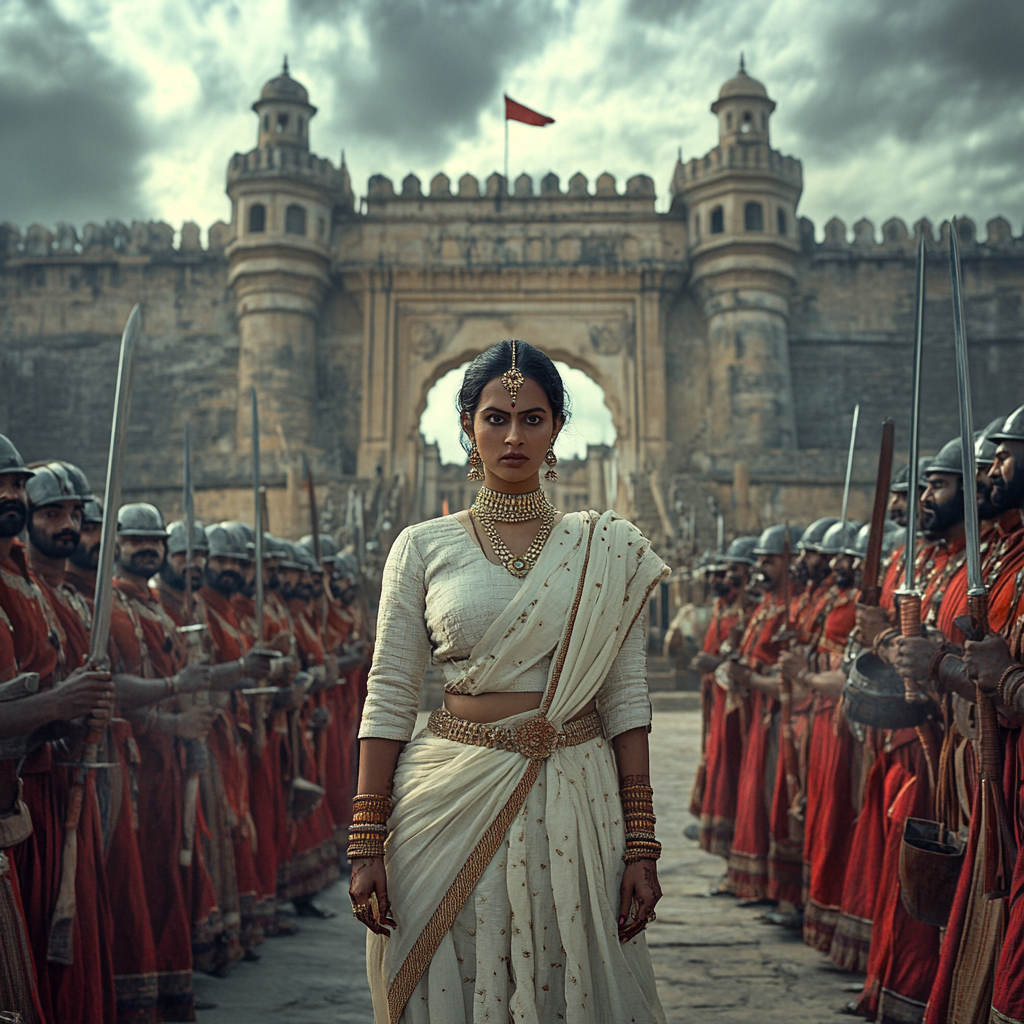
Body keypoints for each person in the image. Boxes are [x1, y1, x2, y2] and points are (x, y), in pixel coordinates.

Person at [349, 340, 669, 1024]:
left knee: (566, 980)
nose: (513, 435)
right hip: (447, 796)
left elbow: (624, 700)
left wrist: (640, 841)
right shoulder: (422, 546)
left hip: (575, 796)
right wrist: (366, 836)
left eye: (532, 418)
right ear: (466, 426)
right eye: (495, 418)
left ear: (557, 427)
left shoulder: (607, 549)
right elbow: (390, 693)